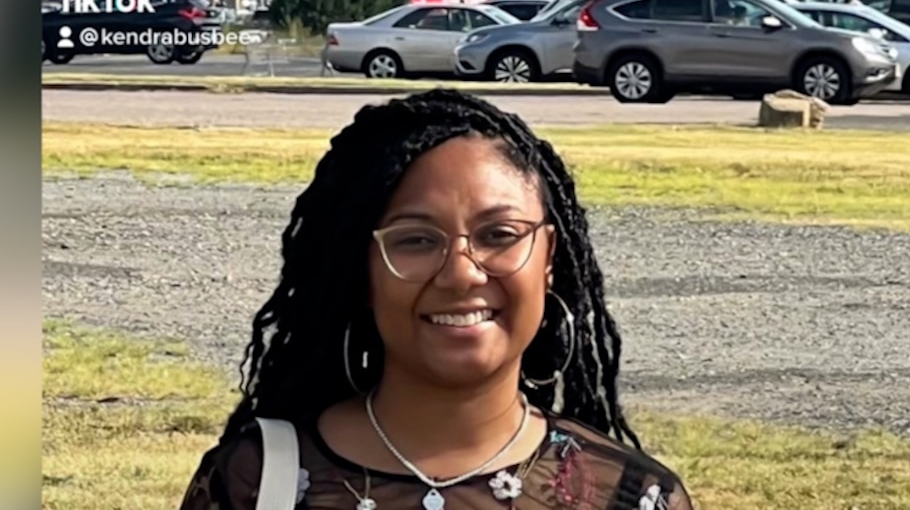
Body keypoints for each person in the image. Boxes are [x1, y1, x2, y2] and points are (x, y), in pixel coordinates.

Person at [178, 89, 693, 510]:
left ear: (549, 257)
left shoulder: (631, 496)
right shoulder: (254, 484)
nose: (462, 274)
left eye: (500, 234)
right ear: (362, 269)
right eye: (416, 240)